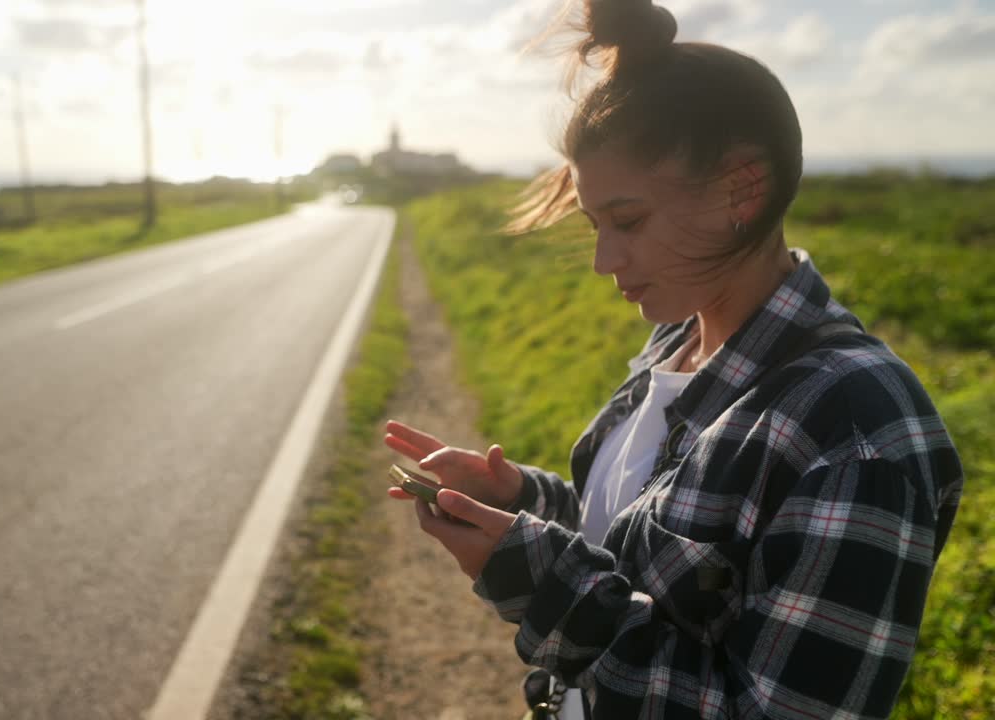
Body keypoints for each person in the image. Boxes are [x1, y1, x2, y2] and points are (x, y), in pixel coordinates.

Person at [383, 0, 965, 718]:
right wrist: (521, 505)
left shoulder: (855, 431)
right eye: (596, 225)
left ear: (741, 191)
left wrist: (544, 585)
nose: (603, 260)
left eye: (628, 221)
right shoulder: (680, 341)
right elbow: (645, 551)